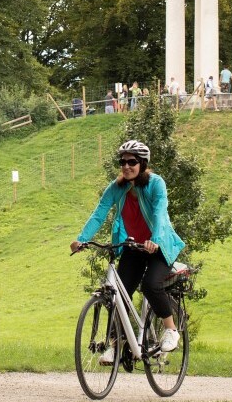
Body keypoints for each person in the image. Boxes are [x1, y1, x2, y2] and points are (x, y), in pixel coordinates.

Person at [69, 140, 185, 362]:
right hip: (133, 245)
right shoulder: (117, 187)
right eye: (122, 161)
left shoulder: (155, 184)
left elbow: (160, 214)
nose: (126, 166)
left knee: (150, 285)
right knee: (118, 295)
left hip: (159, 245)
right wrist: (82, 240)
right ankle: (117, 344)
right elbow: (99, 213)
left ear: (142, 163)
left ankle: (171, 330)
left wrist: (156, 240)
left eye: (132, 161)